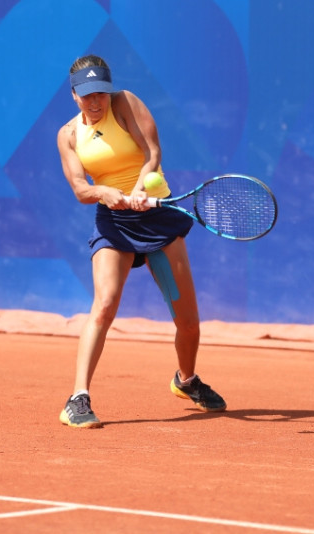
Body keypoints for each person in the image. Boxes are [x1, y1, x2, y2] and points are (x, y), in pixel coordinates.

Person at [55, 55, 227, 428]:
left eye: (101, 93)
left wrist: (137, 190)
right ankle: (77, 398)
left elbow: (152, 154)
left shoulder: (125, 103)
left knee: (188, 323)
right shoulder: (68, 135)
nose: (96, 102)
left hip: (156, 219)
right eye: (87, 95)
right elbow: (80, 188)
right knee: (104, 304)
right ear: (74, 95)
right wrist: (104, 192)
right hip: (114, 225)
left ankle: (186, 380)